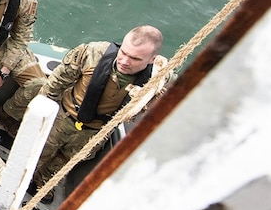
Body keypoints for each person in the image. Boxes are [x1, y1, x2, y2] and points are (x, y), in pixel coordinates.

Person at [25, 25, 167, 189]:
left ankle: (42, 181)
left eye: (135, 59)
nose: (125, 61)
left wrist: (161, 78)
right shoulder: (93, 53)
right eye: (124, 52)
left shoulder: (155, 79)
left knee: (65, 161)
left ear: (151, 59)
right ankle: (24, 180)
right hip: (64, 117)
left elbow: (171, 78)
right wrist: (42, 111)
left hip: (94, 132)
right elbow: (57, 81)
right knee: (38, 152)